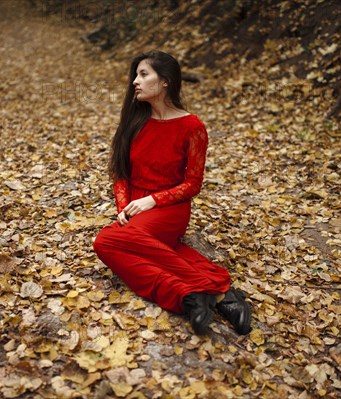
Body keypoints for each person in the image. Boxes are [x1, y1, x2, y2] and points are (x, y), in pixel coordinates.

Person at [93, 50, 251, 335]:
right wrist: (123, 206)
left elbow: (192, 185)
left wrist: (151, 200)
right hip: (135, 209)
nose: (134, 83)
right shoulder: (134, 121)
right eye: (135, 76)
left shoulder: (192, 127)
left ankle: (208, 290)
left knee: (107, 240)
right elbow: (120, 172)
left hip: (169, 208)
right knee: (107, 244)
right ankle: (194, 296)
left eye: (143, 75)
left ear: (165, 81)